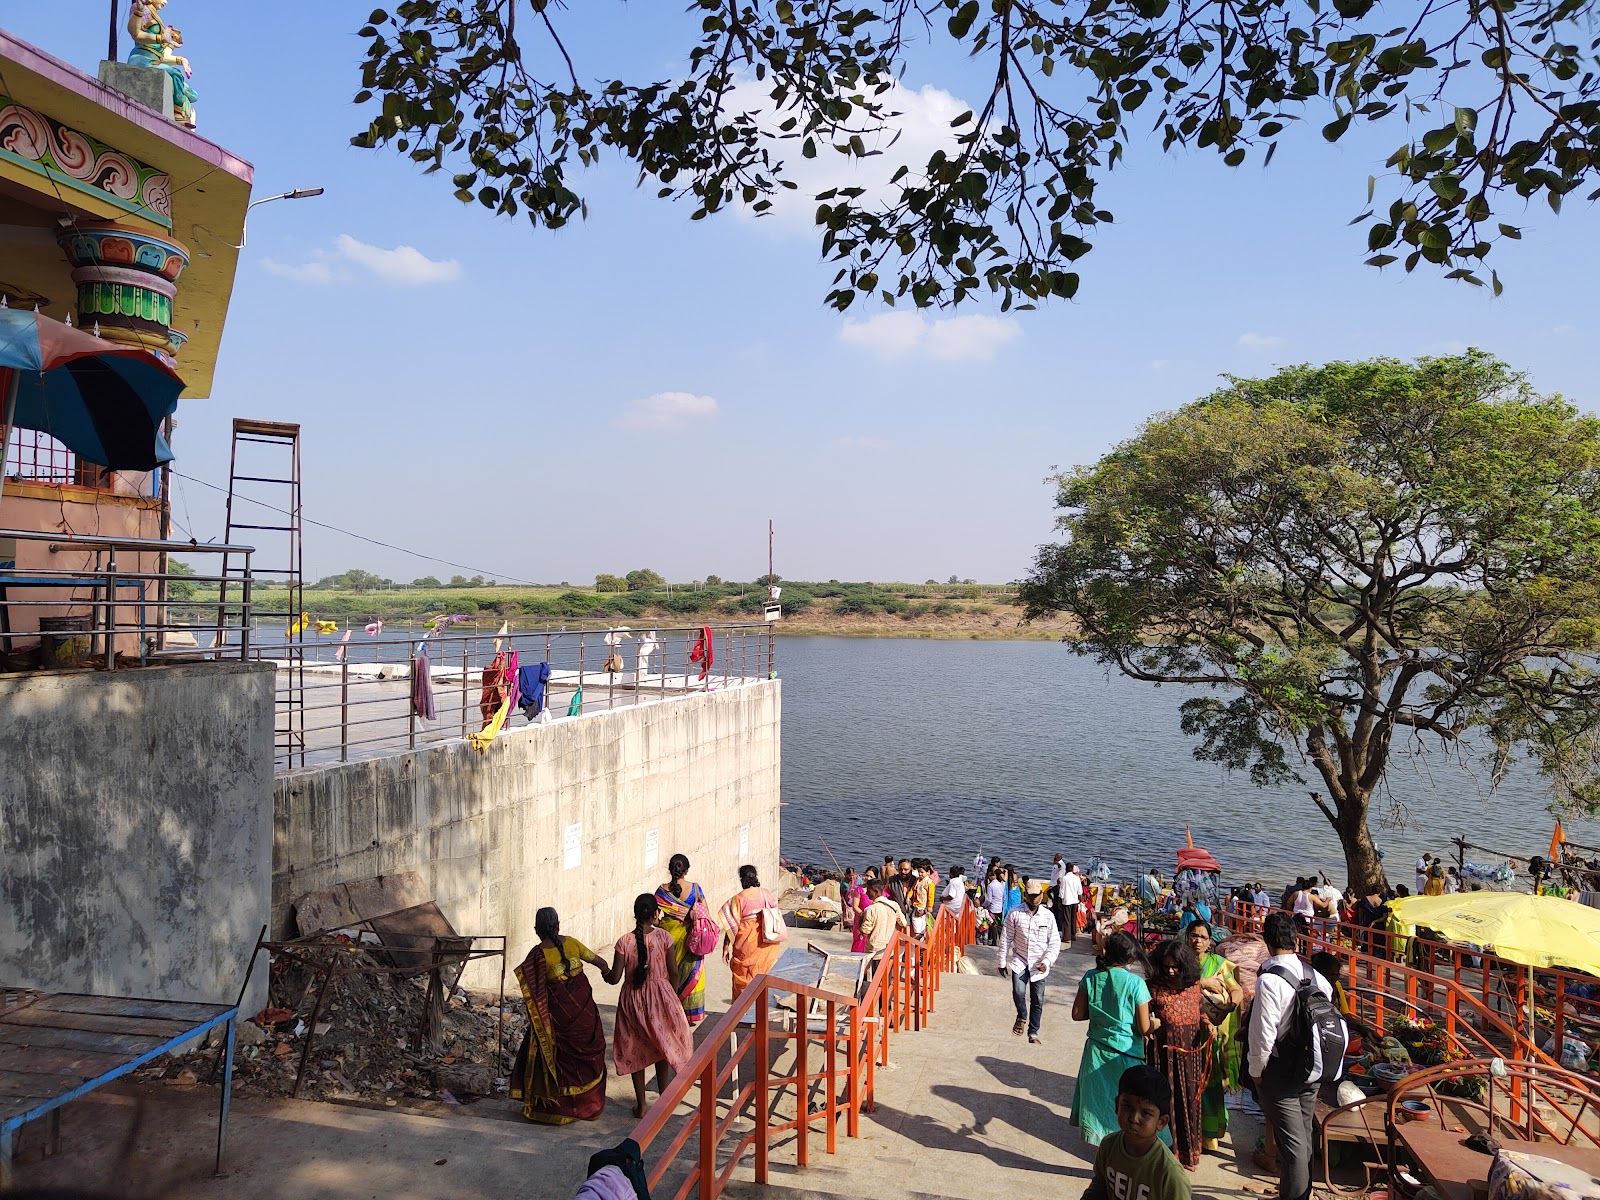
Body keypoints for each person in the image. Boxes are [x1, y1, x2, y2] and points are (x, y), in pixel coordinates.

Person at [1249, 911, 1337, 1200]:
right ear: (1296, 940)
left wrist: (1256, 1072)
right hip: (1312, 1068)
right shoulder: (1318, 977)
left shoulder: (1269, 981)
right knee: (1302, 1137)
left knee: (1293, 1144)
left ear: (1267, 941)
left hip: (1282, 1072)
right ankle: (1293, 1192)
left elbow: (1263, 1034)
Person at [510, 907, 611, 1123]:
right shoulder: (572, 943)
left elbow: (534, 995)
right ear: (558, 926)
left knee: (561, 1060)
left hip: (560, 1021)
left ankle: (560, 1110)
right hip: (585, 1016)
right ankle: (590, 1106)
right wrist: (610, 976)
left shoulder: (537, 956)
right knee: (588, 1058)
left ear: (537, 930)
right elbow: (601, 963)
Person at [604, 894, 695, 1118]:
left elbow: (615, 978)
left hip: (632, 1000)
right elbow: (674, 972)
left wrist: (604, 971)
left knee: (637, 1049)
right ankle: (664, 1099)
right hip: (660, 997)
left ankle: (642, 1105)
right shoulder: (664, 937)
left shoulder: (624, 942)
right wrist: (671, 997)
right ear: (655, 915)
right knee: (661, 1045)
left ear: (635, 915)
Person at [1072, 930, 1155, 1145]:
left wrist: (1100, 1013)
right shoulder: (1136, 984)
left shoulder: (1090, 977)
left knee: (1099, 1106)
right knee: (1128, 1110)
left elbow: (1077, 1014)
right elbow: (1145, 1027)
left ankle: (1103, 1153)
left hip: (1097, 1052)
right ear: (1130, 958)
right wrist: (1158, 1022)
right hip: (1128, 1055)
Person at [1146, 939, 1210, 1170]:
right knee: (1165, 1103)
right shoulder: (1152, 987)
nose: (1171, 971)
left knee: (1189, 1101)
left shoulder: (1194, 987)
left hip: (1190, 1056)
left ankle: (1187, 1153)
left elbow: (1199, 1012)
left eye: (1175, 967)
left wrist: (1207, 1023)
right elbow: (1144, 1018)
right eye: (1166, 967)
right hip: (1162, 1057)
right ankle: (1164, 1154)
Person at [1082, 1065, 1191, 1200]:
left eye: (1146, 1113)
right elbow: (1098, 1188)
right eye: (1127, 1106)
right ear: (1117, 1105)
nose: (1134, 1118)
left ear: (1161, 1122)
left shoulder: (1169, 1173)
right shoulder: (1108, 1146)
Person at [1185, 922, 1242, 1153]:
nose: (1197, 940)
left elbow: (1236, 989)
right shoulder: (1178, 961)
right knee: (1186, 1080)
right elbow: (1169, 986)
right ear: (1186, 937)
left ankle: (1209, 1135)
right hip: (1185, 1031)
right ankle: (1187, 1131)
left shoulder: (1218, 964)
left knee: (1210, 1081)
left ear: (1210, 942)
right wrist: (1201, 983)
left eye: (1202, 937)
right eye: (1194, 935)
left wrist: (1232, 1004)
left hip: (1211, 1035)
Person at [998, 879, 1062, 1043]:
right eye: (1031, 895)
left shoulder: (1048, 916)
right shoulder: (1014, 913)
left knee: (1037, 1000)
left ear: (1041, 895)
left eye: (1037, 895)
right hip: (1020, 960)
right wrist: (1002, 962)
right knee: (1018, 992)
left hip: (1039, 965)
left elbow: (1055, 943)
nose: (1034, 899)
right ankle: (1022, 1015)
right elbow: (1006, 938)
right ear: (1025, 895)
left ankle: (1033, 1032)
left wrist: (1047, 962)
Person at [654, 854, 710, 1025]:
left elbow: (654, 919)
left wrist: (666, 923)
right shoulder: (695, 889)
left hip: (668, 938)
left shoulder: (661, 891)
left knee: (668, 973)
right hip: (691, 940)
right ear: (686, 870)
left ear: (670, 869)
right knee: (690, 972)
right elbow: (705, 914)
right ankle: (687, 1013)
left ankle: (668, 1010)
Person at [720, 864, 785, 999]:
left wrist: (725, 947)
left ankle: (742, 1010)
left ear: (742, 879)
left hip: (746, 946)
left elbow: (730, 926)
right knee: (764, 976)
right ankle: (762, 1010)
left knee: (745, 977)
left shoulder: (738, 899)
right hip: (768, 944)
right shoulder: (766, 894)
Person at [858, 877, 908, 965]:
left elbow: (865, 931)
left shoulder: (870, 909)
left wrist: (860, 922)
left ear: (876, 892)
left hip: (875, 951)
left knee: (874, 976)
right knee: (887, 975)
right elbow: (903, 923)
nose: (866, 893)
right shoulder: (894, 905)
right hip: (890, 948)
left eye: (868, 890)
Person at [1060, 862, 1085, 948]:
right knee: (1073, 918)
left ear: (1066, 869)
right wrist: (1079, 899)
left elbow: (1062, 891)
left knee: (1066, 919)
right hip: (1075, 901)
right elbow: (1080, 891)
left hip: (1067, 901)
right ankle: (1073, 935)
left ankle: (1066, 937)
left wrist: (1061, 898)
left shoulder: (1065, 878)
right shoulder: (1076, 878)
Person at [983, 865, 1008, 946]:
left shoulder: (990, 886)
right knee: (999, 925)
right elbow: (1004, 897)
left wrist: (984, 905)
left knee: (993, 925)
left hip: (993, 908)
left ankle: (994, 941)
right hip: (999, 908)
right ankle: (1002, 940)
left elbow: (989, 900)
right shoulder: (1001, 885)